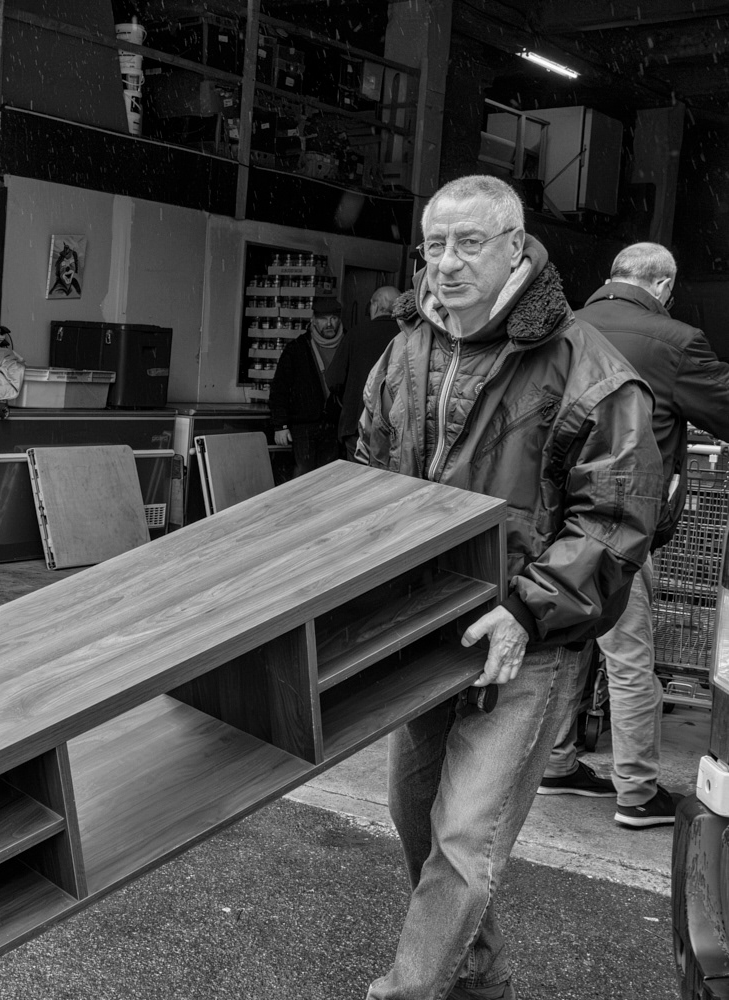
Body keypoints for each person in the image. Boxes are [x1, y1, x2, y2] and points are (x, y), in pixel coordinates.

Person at [357, 175, 660, 1000]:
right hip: (425, 633)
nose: (444, 264)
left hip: (524, 643)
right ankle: (480, 972)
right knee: (415, 818)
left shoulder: (583, 365)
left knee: (463, 835)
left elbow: (615, 514)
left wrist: (524, 610)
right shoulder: (407, 350)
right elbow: (370, 472)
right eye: (433, 245)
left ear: (517, 247)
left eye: (468, 244)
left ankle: (408, 989)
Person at [539, 242, 729, 827]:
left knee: (569, 643)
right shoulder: (676, 343)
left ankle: (557, 760)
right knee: (628, 656)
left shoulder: (561, 328)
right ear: (664, 286)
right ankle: (639, 792)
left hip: (551, 518)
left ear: (611, 276)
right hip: (620, 519)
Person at [269, 294, 343, 476]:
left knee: (330, 478)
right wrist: (280, 426)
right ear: (313, 321)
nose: (329, 324)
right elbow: (280, 389)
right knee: (303, 476)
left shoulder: (349, 345)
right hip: (303, 426)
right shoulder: (296, 349)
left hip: (336, 426)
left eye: (333, 318)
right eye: (324, 319)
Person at [326, 285, 400, 460]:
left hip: (356, 426)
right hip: (395, 428)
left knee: (357, 480)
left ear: (374, 306)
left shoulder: (355, 334)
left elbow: (334, 380)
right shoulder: (407, 336)